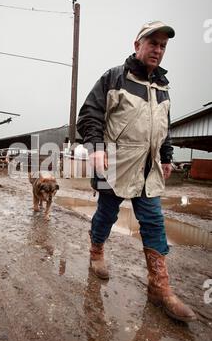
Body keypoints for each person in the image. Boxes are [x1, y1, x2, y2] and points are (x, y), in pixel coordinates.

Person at [77, 21, 196, 323]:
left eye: (163, 46)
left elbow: (163, 127)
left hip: (148, 171)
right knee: (106, 214)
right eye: (152, 43)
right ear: (137, 44)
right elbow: (90, 112)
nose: (157, 49)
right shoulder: (115, 77)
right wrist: (97, 147)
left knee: (154, 221)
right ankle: (96, 254)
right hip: (113, 166)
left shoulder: (163, 88)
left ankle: (160, 287)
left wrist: (167, 156)